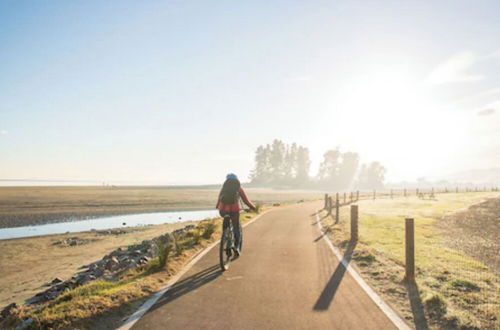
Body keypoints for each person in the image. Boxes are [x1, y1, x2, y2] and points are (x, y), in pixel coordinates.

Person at [216, 173, 256, 256]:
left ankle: (225, 238)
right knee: (236, 228)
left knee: (226, 225)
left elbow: (219, 200)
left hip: (223, 211)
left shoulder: (224, 188)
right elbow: (246, 201)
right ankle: (236, 247)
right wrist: (253, 207)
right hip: (234, 211)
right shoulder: (239, 188)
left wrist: (218, 207)